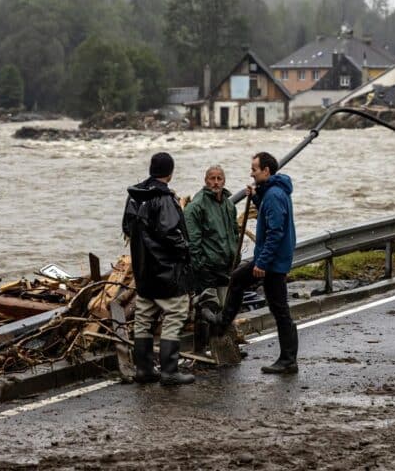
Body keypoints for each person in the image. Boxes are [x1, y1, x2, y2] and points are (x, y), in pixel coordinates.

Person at [213, 152, 298, 374]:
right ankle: (288, 359)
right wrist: (257, 196)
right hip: (274, 259)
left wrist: (262, 262)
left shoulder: (274, 195)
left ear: (266, 171)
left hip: (272, 262)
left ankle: (221, 324)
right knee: (275, 305)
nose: (251, 173)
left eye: (254, 169)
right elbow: (269, 215)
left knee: (276, 306)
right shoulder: (272, 192)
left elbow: (275, 232)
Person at [122, 152, 195, 385]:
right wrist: (186, 250)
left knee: (144, 317)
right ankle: (170, 371)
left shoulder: (135, 197)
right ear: (170, 173)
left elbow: (127, 227)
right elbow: (170, 233)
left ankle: (144, 369)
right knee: (175, 314)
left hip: (143, 270)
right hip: (166, 271)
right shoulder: (164, 199)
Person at [184, 165, 239, 343]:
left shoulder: (229, 204)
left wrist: (235, 255)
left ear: (224, 180)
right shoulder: (196, 206)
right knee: (207, 308)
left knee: (224, 309)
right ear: (205, 180)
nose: (216, 182)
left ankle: (222, 346)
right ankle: (201, 348)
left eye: (219, 178)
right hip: (207, 267)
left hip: (226, 266)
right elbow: (193, 240)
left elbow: (233, 232)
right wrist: (200, 265)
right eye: (212, 178)